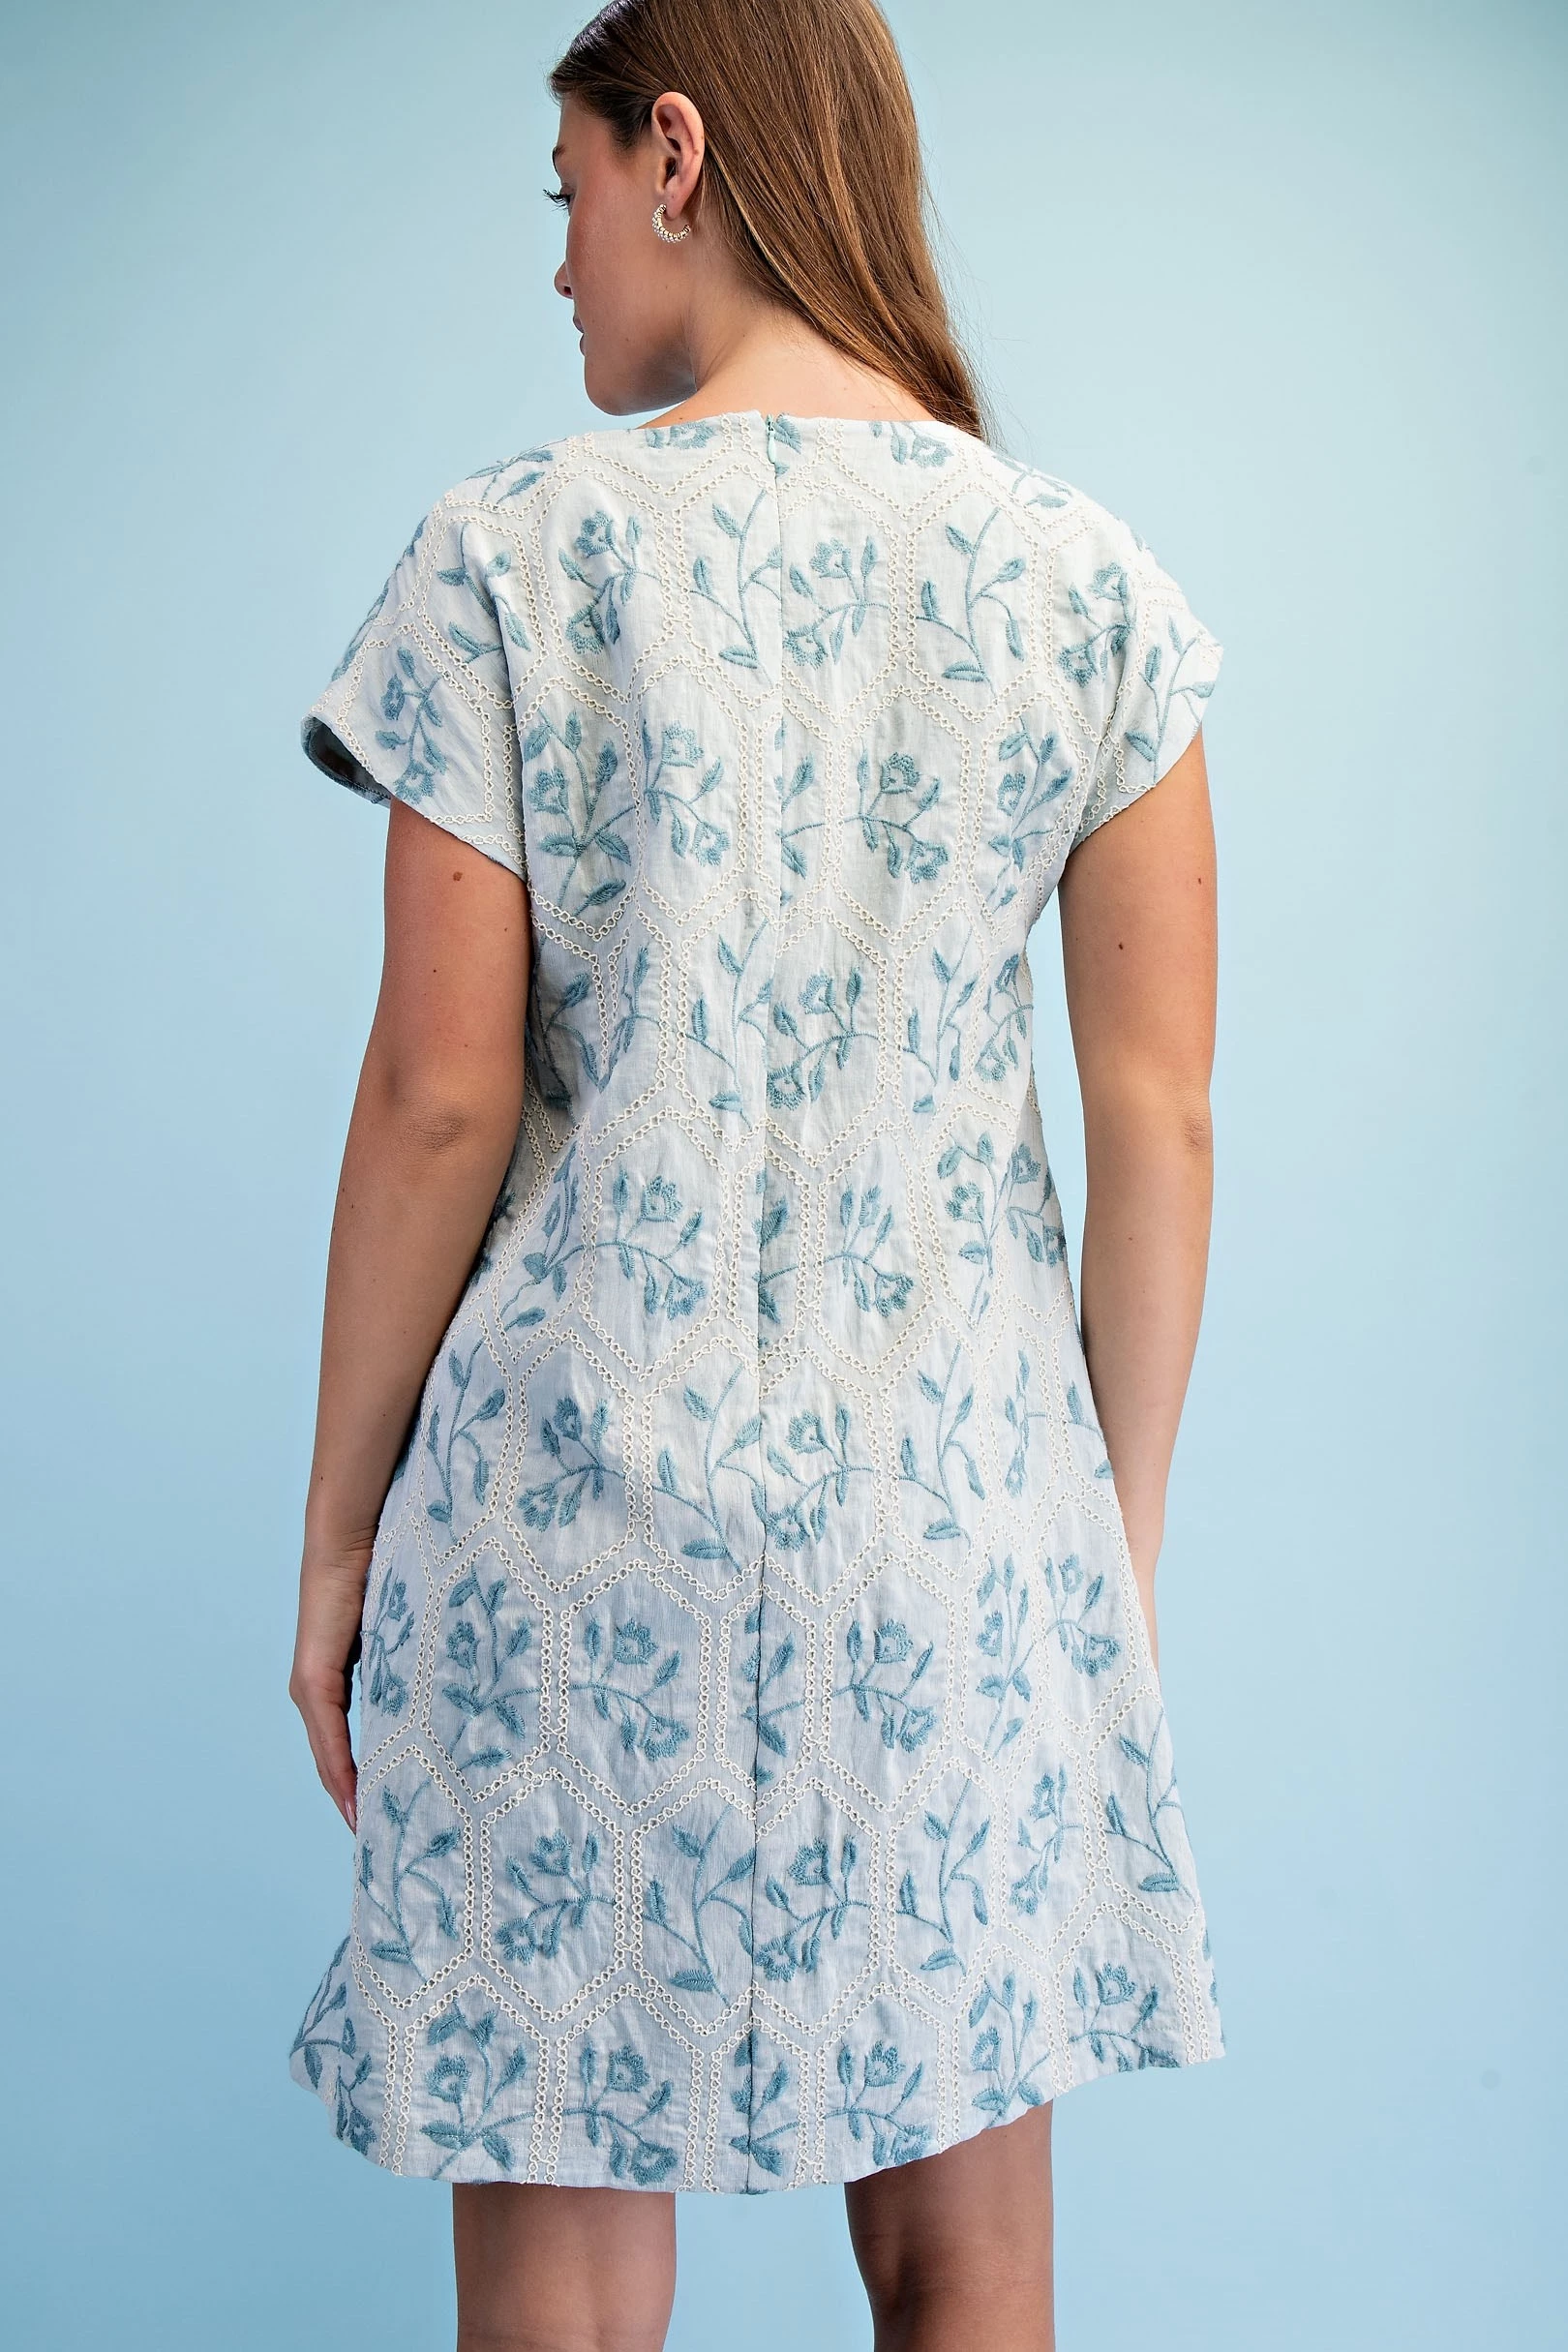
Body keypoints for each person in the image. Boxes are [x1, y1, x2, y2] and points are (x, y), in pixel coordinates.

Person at [286, 1, 1225, 2343]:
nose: (563, 261)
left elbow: (432, 1099)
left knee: (569, 2298)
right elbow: (1160, 1113)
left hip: (566, 1532)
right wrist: (1098, 1558)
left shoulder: (510, 555)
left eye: (572, 192)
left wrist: (335, 1536)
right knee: (965, 2274)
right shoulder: (1083, 580)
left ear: (677, 152)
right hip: (952, 1537)